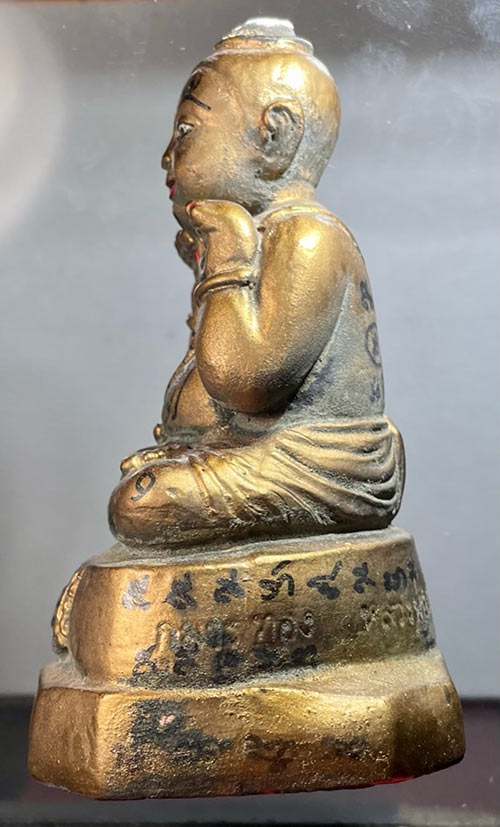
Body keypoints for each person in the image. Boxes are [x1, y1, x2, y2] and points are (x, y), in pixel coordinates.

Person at [108, 18, 405, 549]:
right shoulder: (265, 234)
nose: (167, 156)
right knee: (147, 490)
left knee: (141, 503)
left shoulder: (309, 237)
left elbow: (245, 380)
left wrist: (227, 258)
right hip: (257, 452)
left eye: (185, 132)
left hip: (322, 466)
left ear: (273, 137)